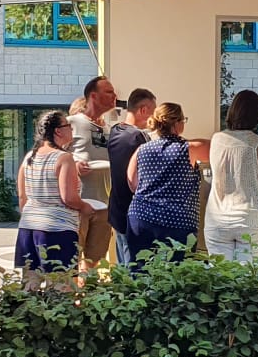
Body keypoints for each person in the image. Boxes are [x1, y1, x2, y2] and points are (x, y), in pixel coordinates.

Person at [14, 109, 89, 289]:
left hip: (28, 228)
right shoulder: (63, 158)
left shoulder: (30, 156)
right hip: (57, 229)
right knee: (60, 286)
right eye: (68, 126)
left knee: (29, 286)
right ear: (58, 131)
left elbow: (22, 196)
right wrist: (85, 207)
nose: (71, 129)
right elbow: (68, 197)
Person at [207, 90, 258, 263]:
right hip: (251, 220)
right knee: (248, 276)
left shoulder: (216, 139)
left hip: (216, 219)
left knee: (219, 275)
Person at [125, 101, 204, 263]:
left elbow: (132, 183)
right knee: (176, 271)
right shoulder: (189, 148)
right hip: (177, 221)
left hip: (141, 217)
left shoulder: (142, 149)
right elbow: (219, 147)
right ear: (177, 123)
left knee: (140, 270)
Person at [68, 75, 119, 270]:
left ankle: (87, 287)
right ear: (93, 96)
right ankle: (70, 288)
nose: (114, 96)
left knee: (94, 260)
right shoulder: (72, 122)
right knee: (71, 258)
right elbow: (53, 155)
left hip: (104, 204)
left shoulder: (109, 129)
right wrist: (73, 165)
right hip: (77, 204)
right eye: (109, 92)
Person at [105, 88, 157, 265]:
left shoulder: (115, 130)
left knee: (122, 263)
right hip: (133, 213)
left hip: (117, 209)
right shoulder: (139, 138)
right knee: (134, 267)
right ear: (143, 110)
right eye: (153, 111)